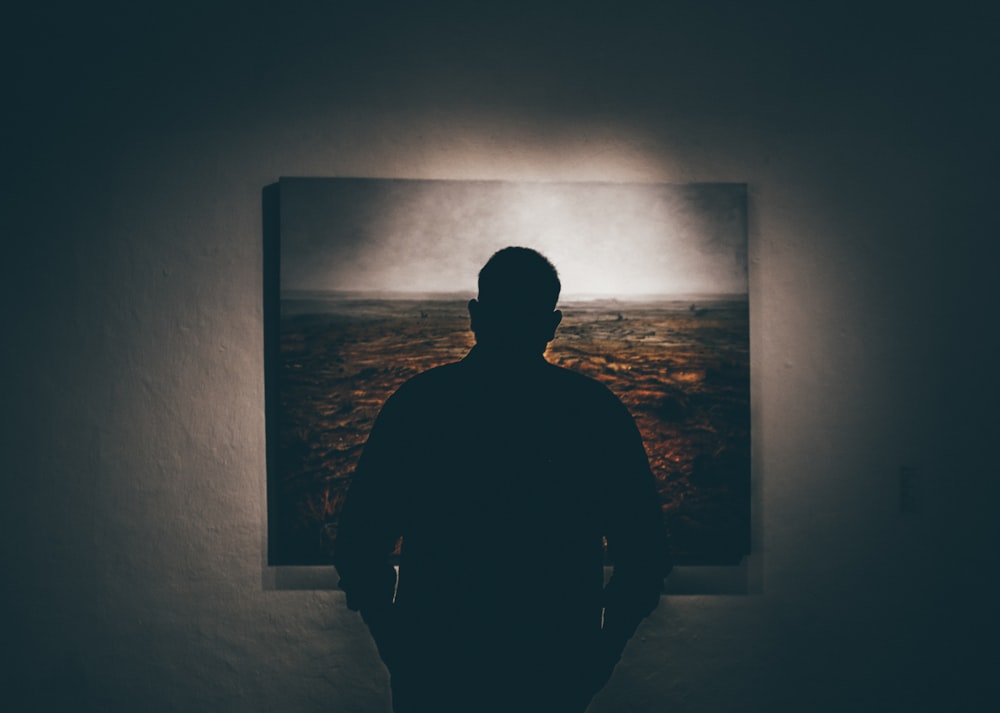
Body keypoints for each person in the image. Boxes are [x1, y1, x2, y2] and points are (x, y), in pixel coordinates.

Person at [334, 247, 670, 713]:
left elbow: (358, 546)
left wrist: (399, 647)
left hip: (436, 665)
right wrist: (599, 656)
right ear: (553, 323)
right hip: (551, 667)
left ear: (474, 314)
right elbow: (645, 556)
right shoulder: (593, 412)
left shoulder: (418, 405)